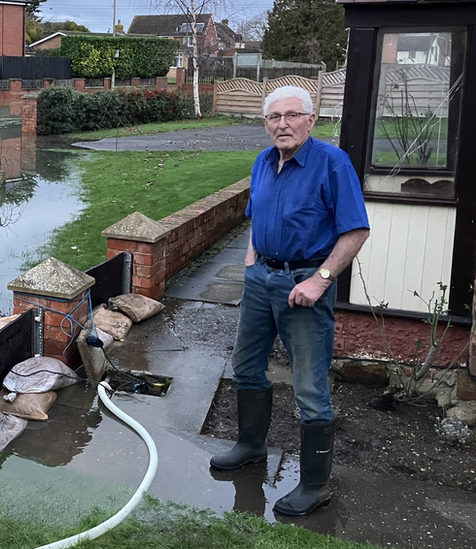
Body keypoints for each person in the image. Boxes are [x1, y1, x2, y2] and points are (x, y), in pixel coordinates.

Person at [209, 86, 370, 517]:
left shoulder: (332, 164)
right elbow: (255, 220)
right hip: (262, 278)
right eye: (274, 116)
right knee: (245, 365)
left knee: (310, 385)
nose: (282, 123)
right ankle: (251, 446)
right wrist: (250, 266)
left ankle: (315, 486)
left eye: (292, 115)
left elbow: (356, 231)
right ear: (265, 123)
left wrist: (320, 281)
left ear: (310, 119)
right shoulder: (263, 161)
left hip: (305, 283)